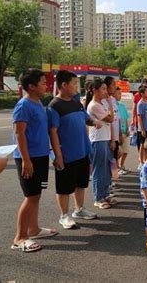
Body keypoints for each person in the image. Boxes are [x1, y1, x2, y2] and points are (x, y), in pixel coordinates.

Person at [11, 69, 57, 253]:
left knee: (36, 194)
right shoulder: (23, 106)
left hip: (40, 155)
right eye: (43, 83)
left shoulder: (38, 103)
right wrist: (26, 161)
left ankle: (34, 229)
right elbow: (19, 133)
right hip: (29, 158)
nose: (47, 85)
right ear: (31, 86)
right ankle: (19, 237)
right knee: (30, 196)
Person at [48, 70, 98, 229]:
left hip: (82, 150)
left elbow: (85, 119)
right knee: (64, 187)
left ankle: (79, 209)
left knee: (80, 183)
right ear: (64, 85)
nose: (77, 87)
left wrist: (94, 121)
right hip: (66, 153)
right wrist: (58, 155)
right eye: (74, 84)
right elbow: (53, 132)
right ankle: (64, 216)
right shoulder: (54, 106)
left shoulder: (76, 102)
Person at [85, 79, 115, 209]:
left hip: (104, 138)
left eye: (105, 88)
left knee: (105, 169)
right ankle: (98, 198)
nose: (105, 91)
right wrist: (110, 104)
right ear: (94, 90)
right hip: (98, 140)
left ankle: (105, 194)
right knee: (98, 170)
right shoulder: (94, 105)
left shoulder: (100, 104)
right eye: (102, 89)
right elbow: (111, 119)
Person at [103, 77, 121, 187]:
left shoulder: (113, 100)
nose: (115, 87)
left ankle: (110, 182)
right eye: (113, 85)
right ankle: (106, 187)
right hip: (109, 138)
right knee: (107, 163)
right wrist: (113, 139)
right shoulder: (104, 101)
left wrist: (119, 135)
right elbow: (109, 121)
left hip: (115, 137)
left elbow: (116, 119)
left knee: (113, 160)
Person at [115, 88, 130, 175]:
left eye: (120, 94)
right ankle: (117, 168)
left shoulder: (122, 105)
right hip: (117, 133)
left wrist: (127, 129)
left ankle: (121, 165)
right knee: (117, 152)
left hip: (124, 131)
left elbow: (125, 118)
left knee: (125, 151)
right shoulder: (112, 106)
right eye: (118, 94)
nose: (119, 96)